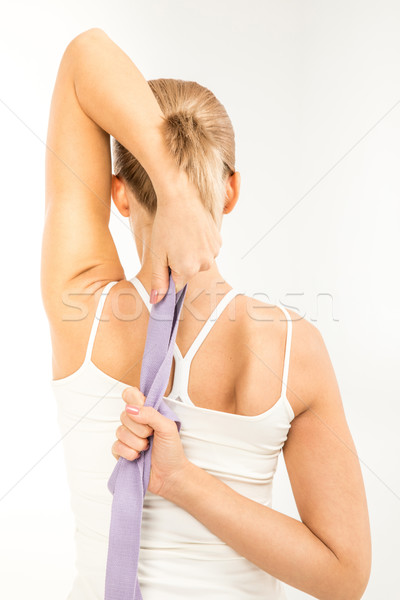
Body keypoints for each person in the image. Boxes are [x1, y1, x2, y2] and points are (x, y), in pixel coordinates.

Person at [41, 28, 371, 600]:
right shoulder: (294, 349)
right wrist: (190, 484)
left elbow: (82, 58)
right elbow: (343, 577)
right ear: (232, 191)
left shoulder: (81, 307)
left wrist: (179, 479)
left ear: (119, 194)